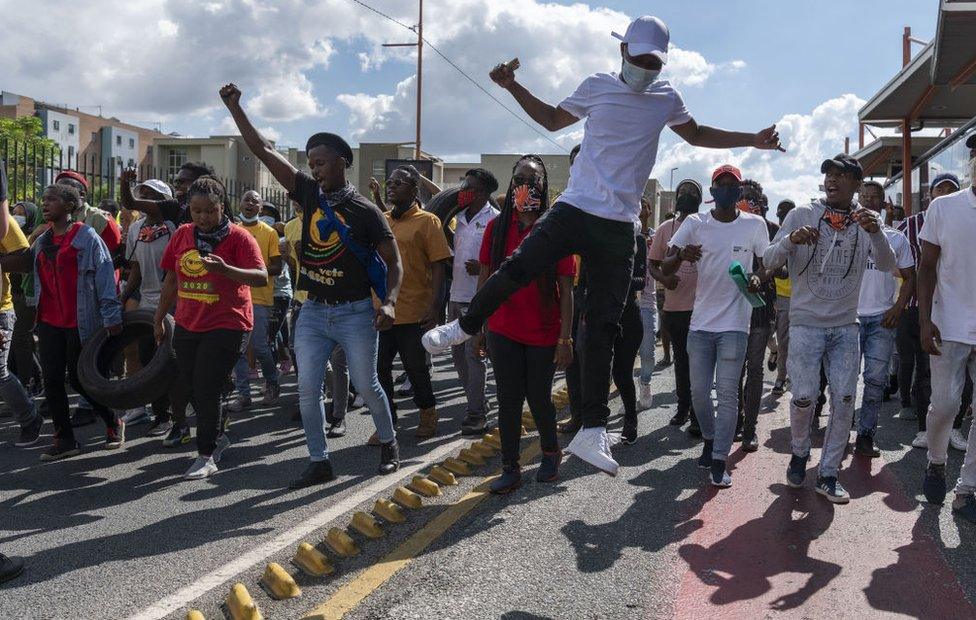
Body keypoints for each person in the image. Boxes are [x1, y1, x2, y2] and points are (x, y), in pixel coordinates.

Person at [422, 15, 783, 476]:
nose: (646, 68)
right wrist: (512, 86)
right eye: (640, 59)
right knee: (518, 266)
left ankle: (594, 430)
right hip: (575, 208)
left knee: (605, 326)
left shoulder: (665, 96)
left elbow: (697, 134)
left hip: (618, 225)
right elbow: (553, 119)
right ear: (623, 52)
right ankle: (466, 325)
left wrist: (751, 139)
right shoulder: (597, 86)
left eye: (654, 62)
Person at [220, 83, 402, 487]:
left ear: (341, 163)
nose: (315, 169)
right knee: (306, 389)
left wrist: (388, 302)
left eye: (321, 162)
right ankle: (319, 461)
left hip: (355, 312)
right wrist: (236, 108)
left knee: (367, 385)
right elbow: (264, 152)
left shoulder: (366, 211)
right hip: (313, 311)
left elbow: (394, 262)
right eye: (312, 163)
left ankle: (389, 442)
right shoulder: (307, 191)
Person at [764, 154, 895, 503]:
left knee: (845, 398)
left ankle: (829, 472)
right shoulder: (801, 214)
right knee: (804, 397)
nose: (833, 180)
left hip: (845, 327)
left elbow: (886, 264)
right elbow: (768, 259)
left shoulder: (866, 221)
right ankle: (800, 450)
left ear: (856, 184)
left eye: (842, 175)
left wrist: (877, 232)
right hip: (805, 323)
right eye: (829, 174)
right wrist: (791, 239)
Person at [663, 165, 770, 487]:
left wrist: (755, 278)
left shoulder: (755, 224)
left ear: (739, 191)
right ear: (712, 192)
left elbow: (765, 267)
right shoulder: (696, 224)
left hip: (736, 325)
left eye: (732, 185)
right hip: (701, 325)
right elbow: (665, 264)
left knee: (726, 394)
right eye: (720, 185)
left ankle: (720, 458)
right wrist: (682, 254)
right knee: (698, 393)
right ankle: (710, 438)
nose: (726, 189)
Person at [155, 176, 267, 479]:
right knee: (189, 384)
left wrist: (225, 269)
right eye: (196, 211)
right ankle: (218, 430)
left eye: (210, 211)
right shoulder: (181, 236)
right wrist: (159, 318)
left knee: (207, 386)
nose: (203, 218)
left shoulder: (240, 237)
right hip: (189, 322)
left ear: (222, 208)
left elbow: (260, 276)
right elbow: (171, 280)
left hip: (229, 322)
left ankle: (206, 455)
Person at [479, 155, 575, 493]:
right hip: (503, 328)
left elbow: (565, 288)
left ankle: (550, 451)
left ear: (543, 187)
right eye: (520, 177)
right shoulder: (496, 228)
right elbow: (486, 278)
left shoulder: (554, 231)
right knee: (508, 399)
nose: (526, 184)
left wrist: (565, 339)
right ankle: (510, 467)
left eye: (533, 179)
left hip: (542, 331)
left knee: (538, 396)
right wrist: (478, 324)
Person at [16, 184, 124, 461]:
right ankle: (65, 439)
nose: (44, 204)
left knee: (81, 379)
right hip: (50, 320)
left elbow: (104, 276)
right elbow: (25, 267)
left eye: (51, 199)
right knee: (53, 380)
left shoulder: (86, 236)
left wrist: (111, 316)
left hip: (81, 320)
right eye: (43, 199)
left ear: (69, 205)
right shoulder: (43, 240)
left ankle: (112, 421)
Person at [916, 160, 976, 522]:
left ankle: (967, 488)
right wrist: (924, 320)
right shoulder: (945, 207)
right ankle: (936, 462)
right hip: (948, 323)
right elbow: (926, 266)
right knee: (945, 404)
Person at [376, 165, 451, 440]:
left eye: (399, 182)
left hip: (415, 311)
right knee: (379, 371)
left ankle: (428, 414)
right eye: (390, 182)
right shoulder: (381, 220)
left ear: (414, 189)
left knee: (416, 369)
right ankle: (388, 421)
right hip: (383, 310)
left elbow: (440, 267)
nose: (391, 186)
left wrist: (435, 308)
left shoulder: (428, 221)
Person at [897, 173, 971, 451]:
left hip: (959, 316)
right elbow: (918, 266)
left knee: (964, 390)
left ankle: (955, 438)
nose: (944, 192)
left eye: (950, 187)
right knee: (931, 383)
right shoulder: (927, 217)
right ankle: (930, 440)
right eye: (940, 187)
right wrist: (921, 316)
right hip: (932, 313)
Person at [853, 181, 915, 457]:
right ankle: (840, 430)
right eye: (863, 197)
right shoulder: (846, 234)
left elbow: (910, 277)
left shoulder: (897, 238)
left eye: (873, 198)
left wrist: (897, 308)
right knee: (843, 380)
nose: (867, 202)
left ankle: (866, 434)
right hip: (848, 318)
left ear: (882, 203)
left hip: (882, 318)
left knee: (876, 380)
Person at [447, 169, 499, 435]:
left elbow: (504, 262)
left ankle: (476, 414)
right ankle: (477, 401)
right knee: (457, 356)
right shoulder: (457, 218)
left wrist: (484, 268)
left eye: (468, 185)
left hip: (477, 300)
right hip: (455, 296)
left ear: (481, 192)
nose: (463, 188)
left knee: (474, 355)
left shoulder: (495, 220)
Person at [648, 179, 701, 434]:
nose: (687, 196)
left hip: (703, 309)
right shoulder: (666, 228)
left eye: (693, 192)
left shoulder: (707, 226)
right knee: (681, 360)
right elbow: (653, 263)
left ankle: (698, 413)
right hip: (675, 309)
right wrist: (664, 279)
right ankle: (683, 407)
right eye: (683, 192)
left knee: (699, 363)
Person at [733, 183, 778, 453]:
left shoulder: (772, 229)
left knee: (755, 369)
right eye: (742, 198)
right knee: (734, 370)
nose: (747, 202)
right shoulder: (729, 224)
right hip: (732, 309)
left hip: (760, 308)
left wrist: (767, 273)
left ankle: (750, 429)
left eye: (752, 199)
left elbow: (781, 266)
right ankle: (736, 422)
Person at [229, 190, 283, 410]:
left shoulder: (269, 232)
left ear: (261, 208)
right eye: (246, 199)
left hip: (260, 297)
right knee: (238, 349)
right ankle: (244, 395)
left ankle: (272, 383)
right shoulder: (231, 230)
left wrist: (252, 271)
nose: (250, 203)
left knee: (260, 347)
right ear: (239, 204)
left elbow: (277, 267)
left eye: (255, 201)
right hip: (236, 298)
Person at [8, 201, 43, 393]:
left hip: (26, 297)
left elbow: (26, 262)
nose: (16, 216)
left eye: (21, 213)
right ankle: (35, 379)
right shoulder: (9, 235)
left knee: (21, 340)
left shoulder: (34, 236)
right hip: (12, 295)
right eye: (14, 213)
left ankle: (26, 385)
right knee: (19, 342)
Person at [770, 200, 795, 395]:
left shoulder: (799, 236)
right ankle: (775, 350)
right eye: (780, 215)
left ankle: (782, 377)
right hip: (773, 296)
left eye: (786, 214)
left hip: (792, 297)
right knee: (769, 336)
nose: (782, 218)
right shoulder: (773, 235)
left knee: (787, 340)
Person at [636, 198, 656, 410]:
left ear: (649, 211)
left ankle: (645, 383)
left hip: (648, 302)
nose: (641, 209)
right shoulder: (626, 232)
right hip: (627, 301)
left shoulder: (655, 235)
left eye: (645, 206)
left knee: (648, 352)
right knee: (622, 355)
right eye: (638, 204)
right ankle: (627, 395)